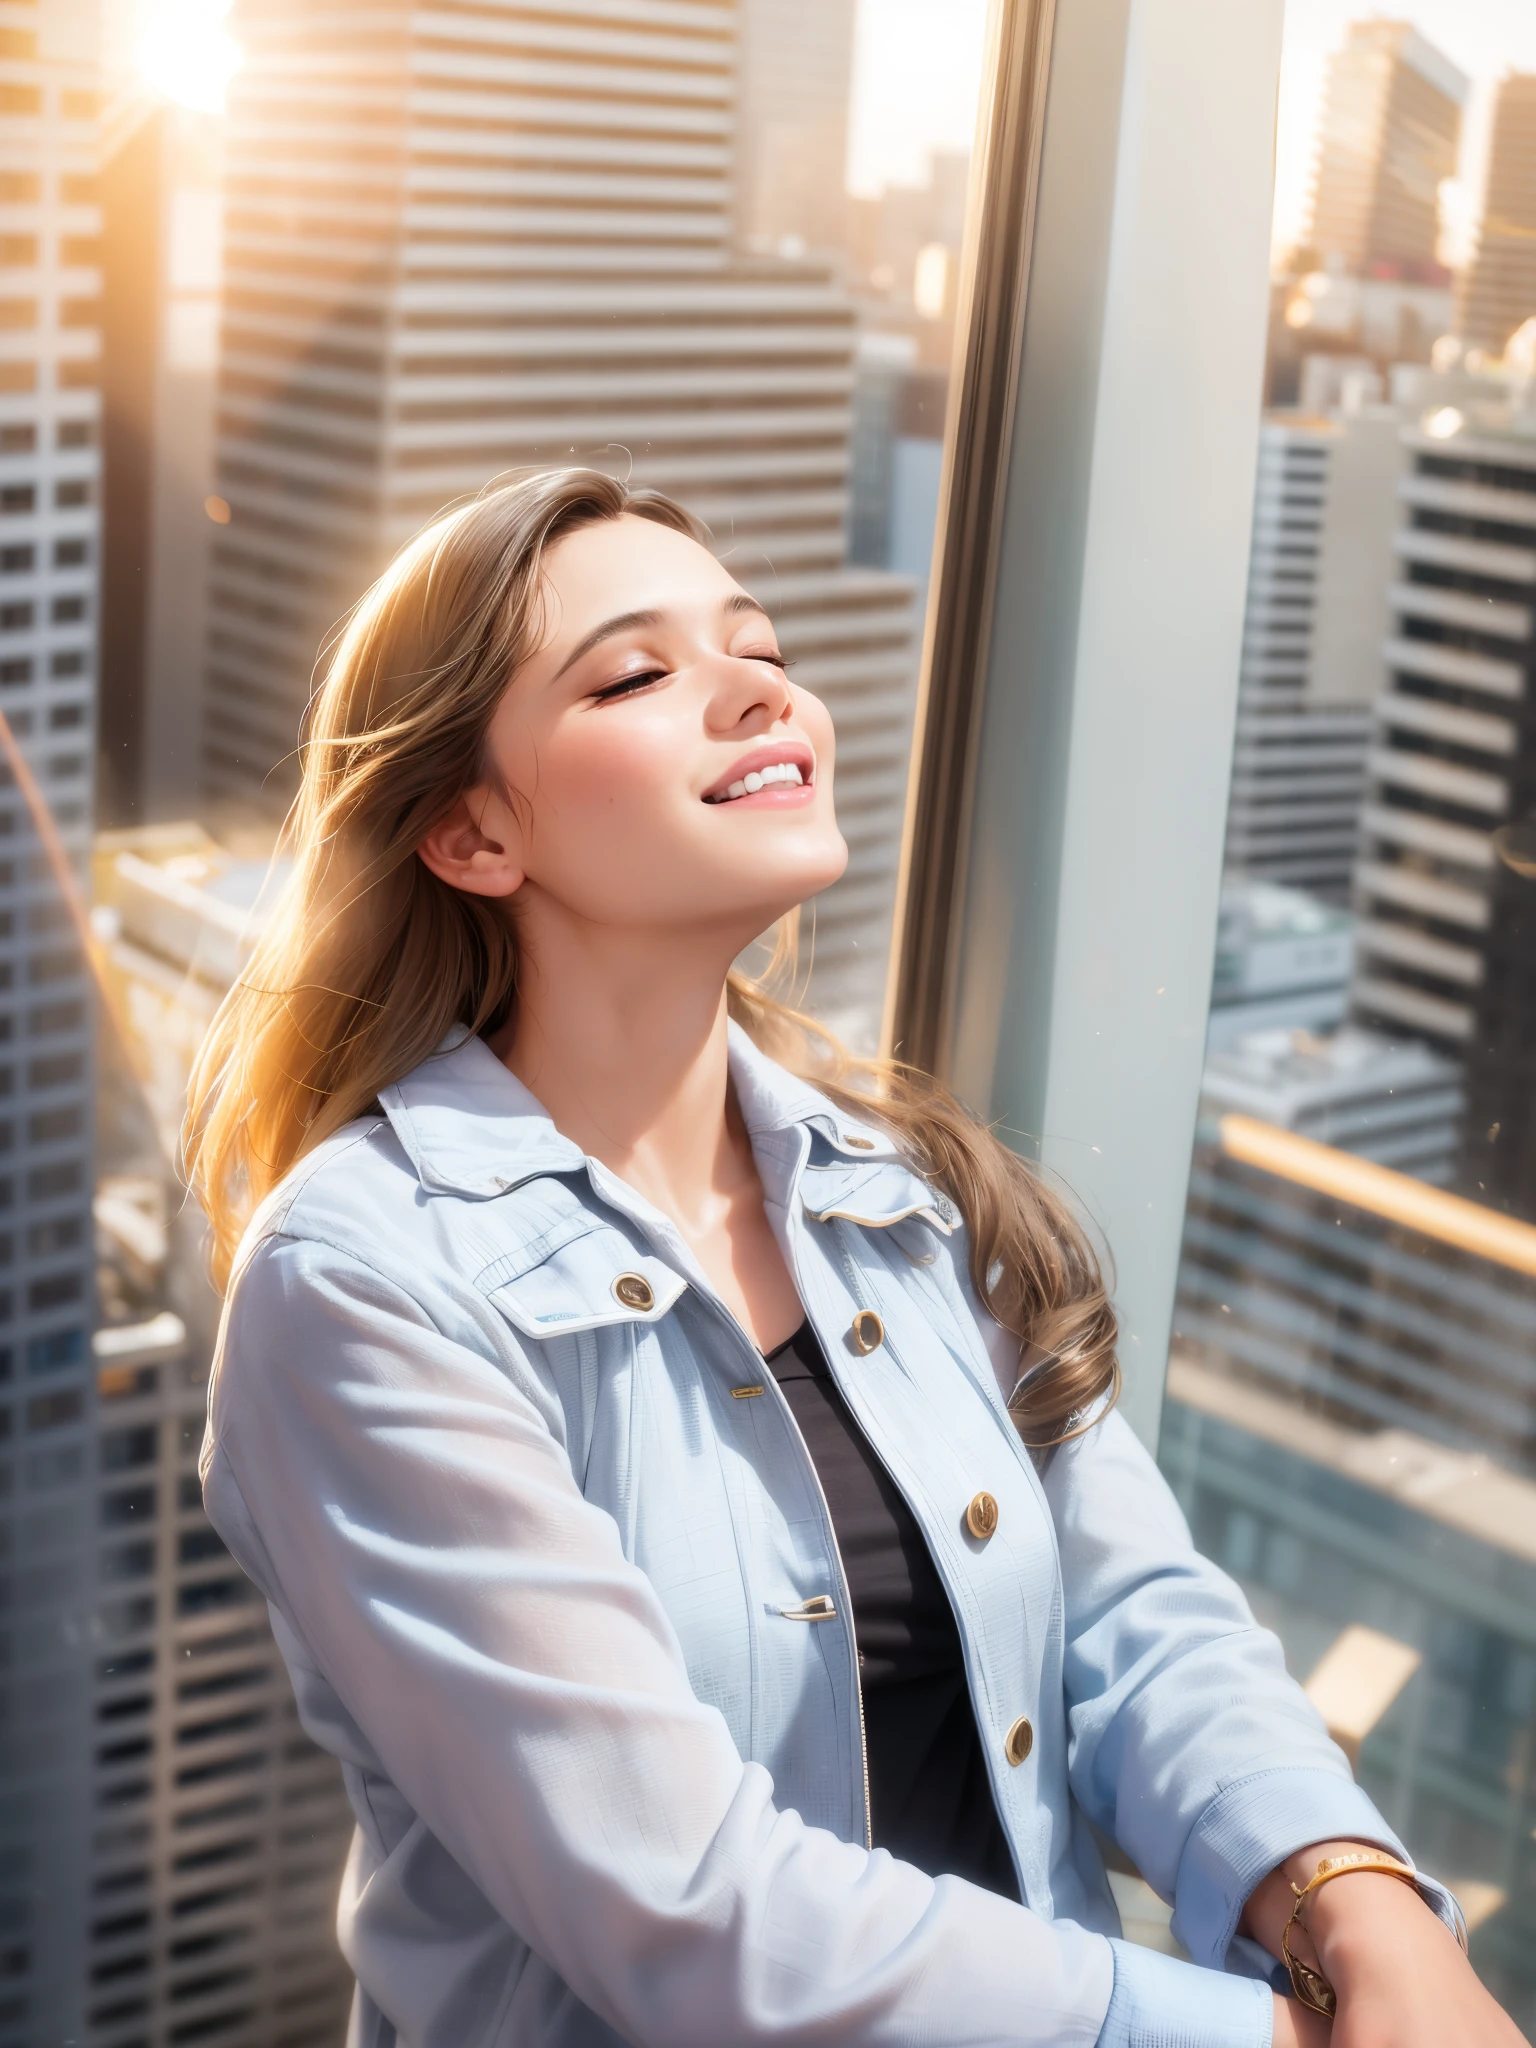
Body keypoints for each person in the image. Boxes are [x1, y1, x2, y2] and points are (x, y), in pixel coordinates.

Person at [187, 469, 1524, 2048]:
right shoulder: (358, 1278)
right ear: (473, 832)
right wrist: (1264, 2038)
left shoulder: (898, 1188)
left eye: (756, 642)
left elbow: (1131, 1623)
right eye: (637, 672)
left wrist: (1356, 1901)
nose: (758, 684)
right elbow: (688, 1909)